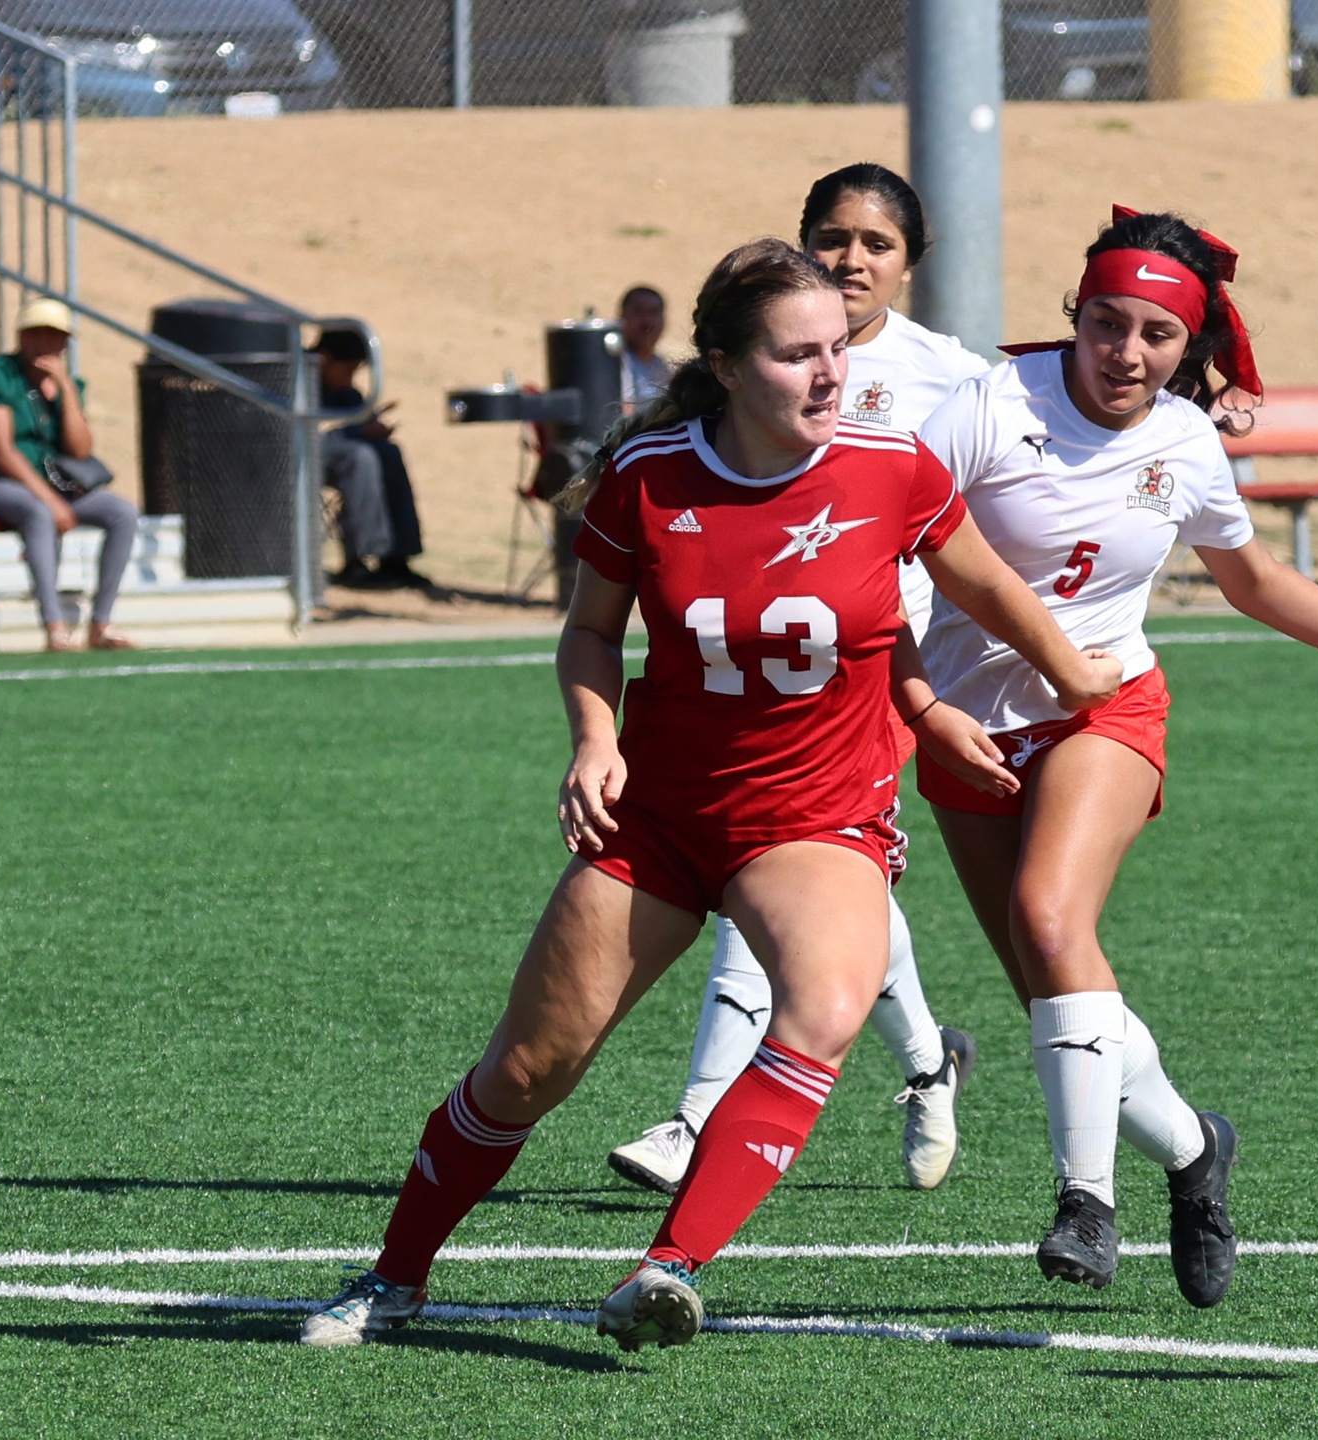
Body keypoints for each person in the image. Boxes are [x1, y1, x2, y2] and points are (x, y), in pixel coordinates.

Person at [298, 239, 1119, 1353]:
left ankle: (669, 1269)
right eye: (796, 356)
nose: (829, 374)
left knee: (827, 1008)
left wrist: (1080, 688)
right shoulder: (652, 478)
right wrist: (594, 741)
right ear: (728, 367)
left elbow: (984, 585)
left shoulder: (895, 469)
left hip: (818, 819)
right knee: (526, 1072)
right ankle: (393, 1277)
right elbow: (591, 632)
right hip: (663, 820)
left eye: (837, 348)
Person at [914, 208, 1318, 1308]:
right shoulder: (984, 409)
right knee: (1056, 991)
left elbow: (1253, 579)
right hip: (967, 724)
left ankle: (1086, 1203)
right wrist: (925, 710)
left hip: (1108, 708)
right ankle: (1192, 1153)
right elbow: (876, 566)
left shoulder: (1183, 440)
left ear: (1190, 348)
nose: (1126, 353)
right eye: (1107, 324)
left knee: (1049, 920)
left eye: (1157, 336)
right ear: (1072, 315)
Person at [608, 163, 992, 1197]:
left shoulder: (953, 377)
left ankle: (696, 1120)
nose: (852, 257)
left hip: (871, 680)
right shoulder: (752, 362)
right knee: (831, 899)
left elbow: (1031, 458)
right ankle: (926, 1060)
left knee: (767, 883)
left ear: (912, 264)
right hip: (758, 674)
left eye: (877, 243)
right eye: (833, 235)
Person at [0, 296, 139, 653]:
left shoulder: (69, 384)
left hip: (51, 483)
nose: (44, 343)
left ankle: (101, 623)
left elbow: (80, 450)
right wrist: (51, 501)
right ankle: (55, 627)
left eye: (53, 336)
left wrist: (66, 390)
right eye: (35, 334)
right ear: (21, 337)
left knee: (123, 514)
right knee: (37, 513)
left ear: (65, 343)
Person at [312, 329, 429, 590]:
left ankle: (396, 557)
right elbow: (304, 431)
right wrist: (355, 431)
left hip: (332, 456)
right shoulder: (295, 379)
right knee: (360, 457)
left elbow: (356, 420)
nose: (350, 378)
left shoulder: (344, 392)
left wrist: (372, 426)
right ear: (324, 358)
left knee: (388, 452)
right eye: (347, 369)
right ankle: (360, 559)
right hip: (295, 456)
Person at [618, 285, 672, 413]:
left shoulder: (661, 367)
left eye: (653, 312)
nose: (646, 321)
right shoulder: (616, 364)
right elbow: (626, 413)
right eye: (638, 311)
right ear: (622, 318)